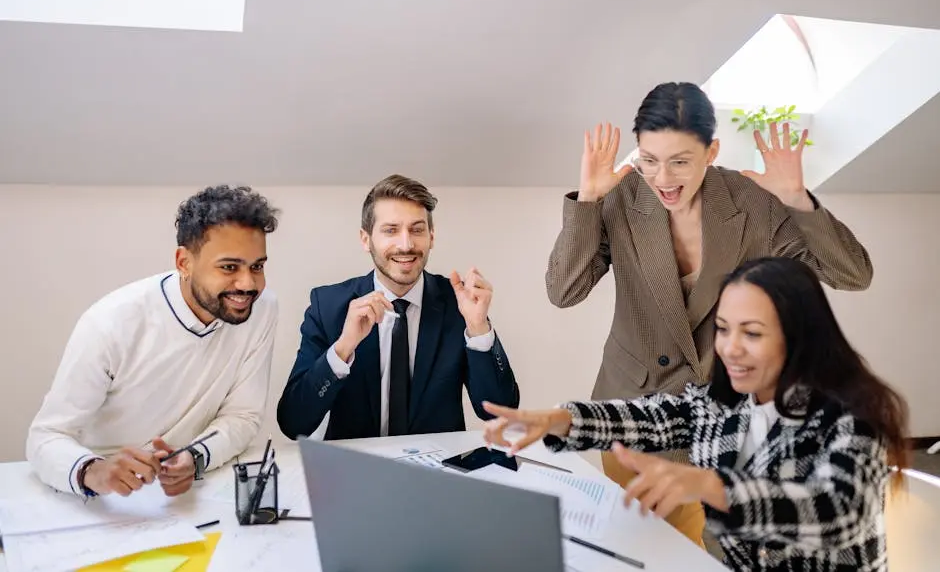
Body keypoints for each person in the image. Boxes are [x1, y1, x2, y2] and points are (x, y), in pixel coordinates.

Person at [545, 82, 873, 544]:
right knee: (641, 550)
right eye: (649, 159)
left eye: (680, 161)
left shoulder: (752, 203)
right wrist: (588, 201)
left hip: (723, 421)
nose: (662, 178)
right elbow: (564, 291)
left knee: (721, 553)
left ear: (711, 151)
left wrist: (798, 199)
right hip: (633, 413)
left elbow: (853, 274)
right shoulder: (620, 198)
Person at [485, 257, 908, 572]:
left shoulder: (852, 414)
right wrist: (561, 420)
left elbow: (839, 510)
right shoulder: (721, 403)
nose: (729, 348)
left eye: (752, 333)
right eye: (723, 329)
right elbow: (649, 417)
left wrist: (711, 485)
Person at [26, 185, 280, 498]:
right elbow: (45, 436)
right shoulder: (111, 322)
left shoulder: (261, 307)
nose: (248, 283)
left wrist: (195, 457)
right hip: (101, 499)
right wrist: (94, 471)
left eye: (257, 266)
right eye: (229, 267)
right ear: (184, 262)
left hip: (191, 494)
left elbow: (243, 416)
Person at [277, 174, 519, 441]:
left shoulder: (458, 303)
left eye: (417, 230)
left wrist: (478, 329)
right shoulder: (328, 306)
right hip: (354, 471)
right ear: (365, 239)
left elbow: (500, 414)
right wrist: (343, 347)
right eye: (391, 230)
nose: (406, 244)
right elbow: (293, 422)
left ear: (431, 237)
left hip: (436, 473)